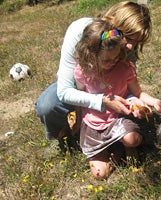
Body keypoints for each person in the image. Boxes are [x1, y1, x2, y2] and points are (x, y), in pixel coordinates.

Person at [35, 1, 152, 141]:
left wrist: (136, 102)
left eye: (136, 42)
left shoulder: (127, 47)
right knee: (48, 105)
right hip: (78, 84)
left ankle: (113, 134)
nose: (130, 46)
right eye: (128, 37)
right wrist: (101, 101)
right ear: (113, 23)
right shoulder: (79, 30)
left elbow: (126, 85)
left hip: (109, 88)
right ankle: (59, 136)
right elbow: (64, 90)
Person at [74, 19, 161, 179]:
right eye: (106, 60)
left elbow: (138, 93)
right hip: (94, 124)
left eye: (116, 57)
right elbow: (80, 98)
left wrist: (153, 102)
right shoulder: (83, 72)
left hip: (119, 120)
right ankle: (118, 149)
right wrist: (77, 122)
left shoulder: (124, 68)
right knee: (99, 174)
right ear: (91, 55)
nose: (112, 63)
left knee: (132, 139)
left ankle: (128, 146)